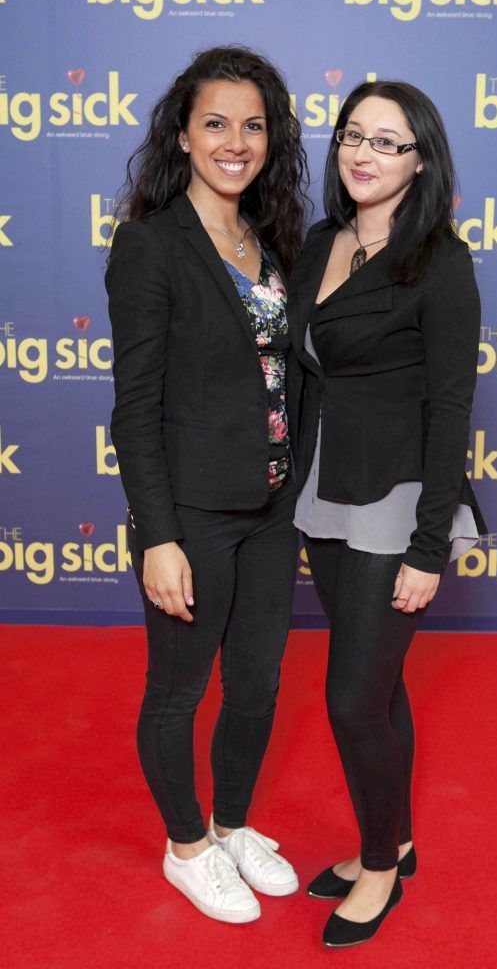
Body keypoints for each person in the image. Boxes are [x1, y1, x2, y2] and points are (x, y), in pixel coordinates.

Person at [105, 46, 309, 925]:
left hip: (272, 507)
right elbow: (134, 406)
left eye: (252, 125)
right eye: (215, 123)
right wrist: (157, 534)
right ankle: (186, 846)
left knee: (259, 685)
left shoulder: (270, 240)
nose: (235, 141)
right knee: (179, 691)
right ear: (183, 136)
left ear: (272, 139)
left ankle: (230, 825)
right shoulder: (151, 246)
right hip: (191, 513)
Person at [287, 80, 487, 949]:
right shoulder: (320, 241)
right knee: (379, 688)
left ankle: (377, 868)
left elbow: (452, 410)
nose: (364, 154)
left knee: (351, 700)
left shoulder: (441, 260)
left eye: (388, 141)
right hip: (322, 492)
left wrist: (428, 546)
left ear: (421, 159)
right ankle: (397, 837)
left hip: (398, 504)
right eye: (351, 135)